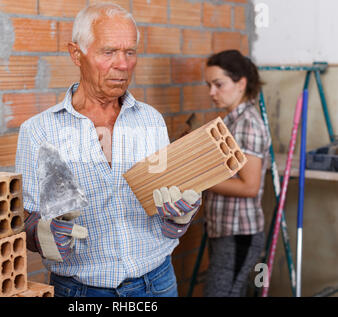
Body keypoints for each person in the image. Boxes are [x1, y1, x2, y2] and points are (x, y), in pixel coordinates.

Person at [15, 3, 201, 297]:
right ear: (76, 54)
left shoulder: (150, 120)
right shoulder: (39, 131)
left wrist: (180, 218)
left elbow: (168, 215)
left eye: (130, 52)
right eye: (109, 52)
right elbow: (27, 222)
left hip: (158, 283)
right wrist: (41, 235)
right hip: (83, 292)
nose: (123, 64)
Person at [202, 49, 270, 297]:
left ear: (241, 83)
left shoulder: (247, 124)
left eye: (218, 84)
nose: (212, 92)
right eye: (209, 85)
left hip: (239, 233)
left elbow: (249, 187)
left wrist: (200, 180)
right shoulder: (230, 121)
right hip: (224, 230)